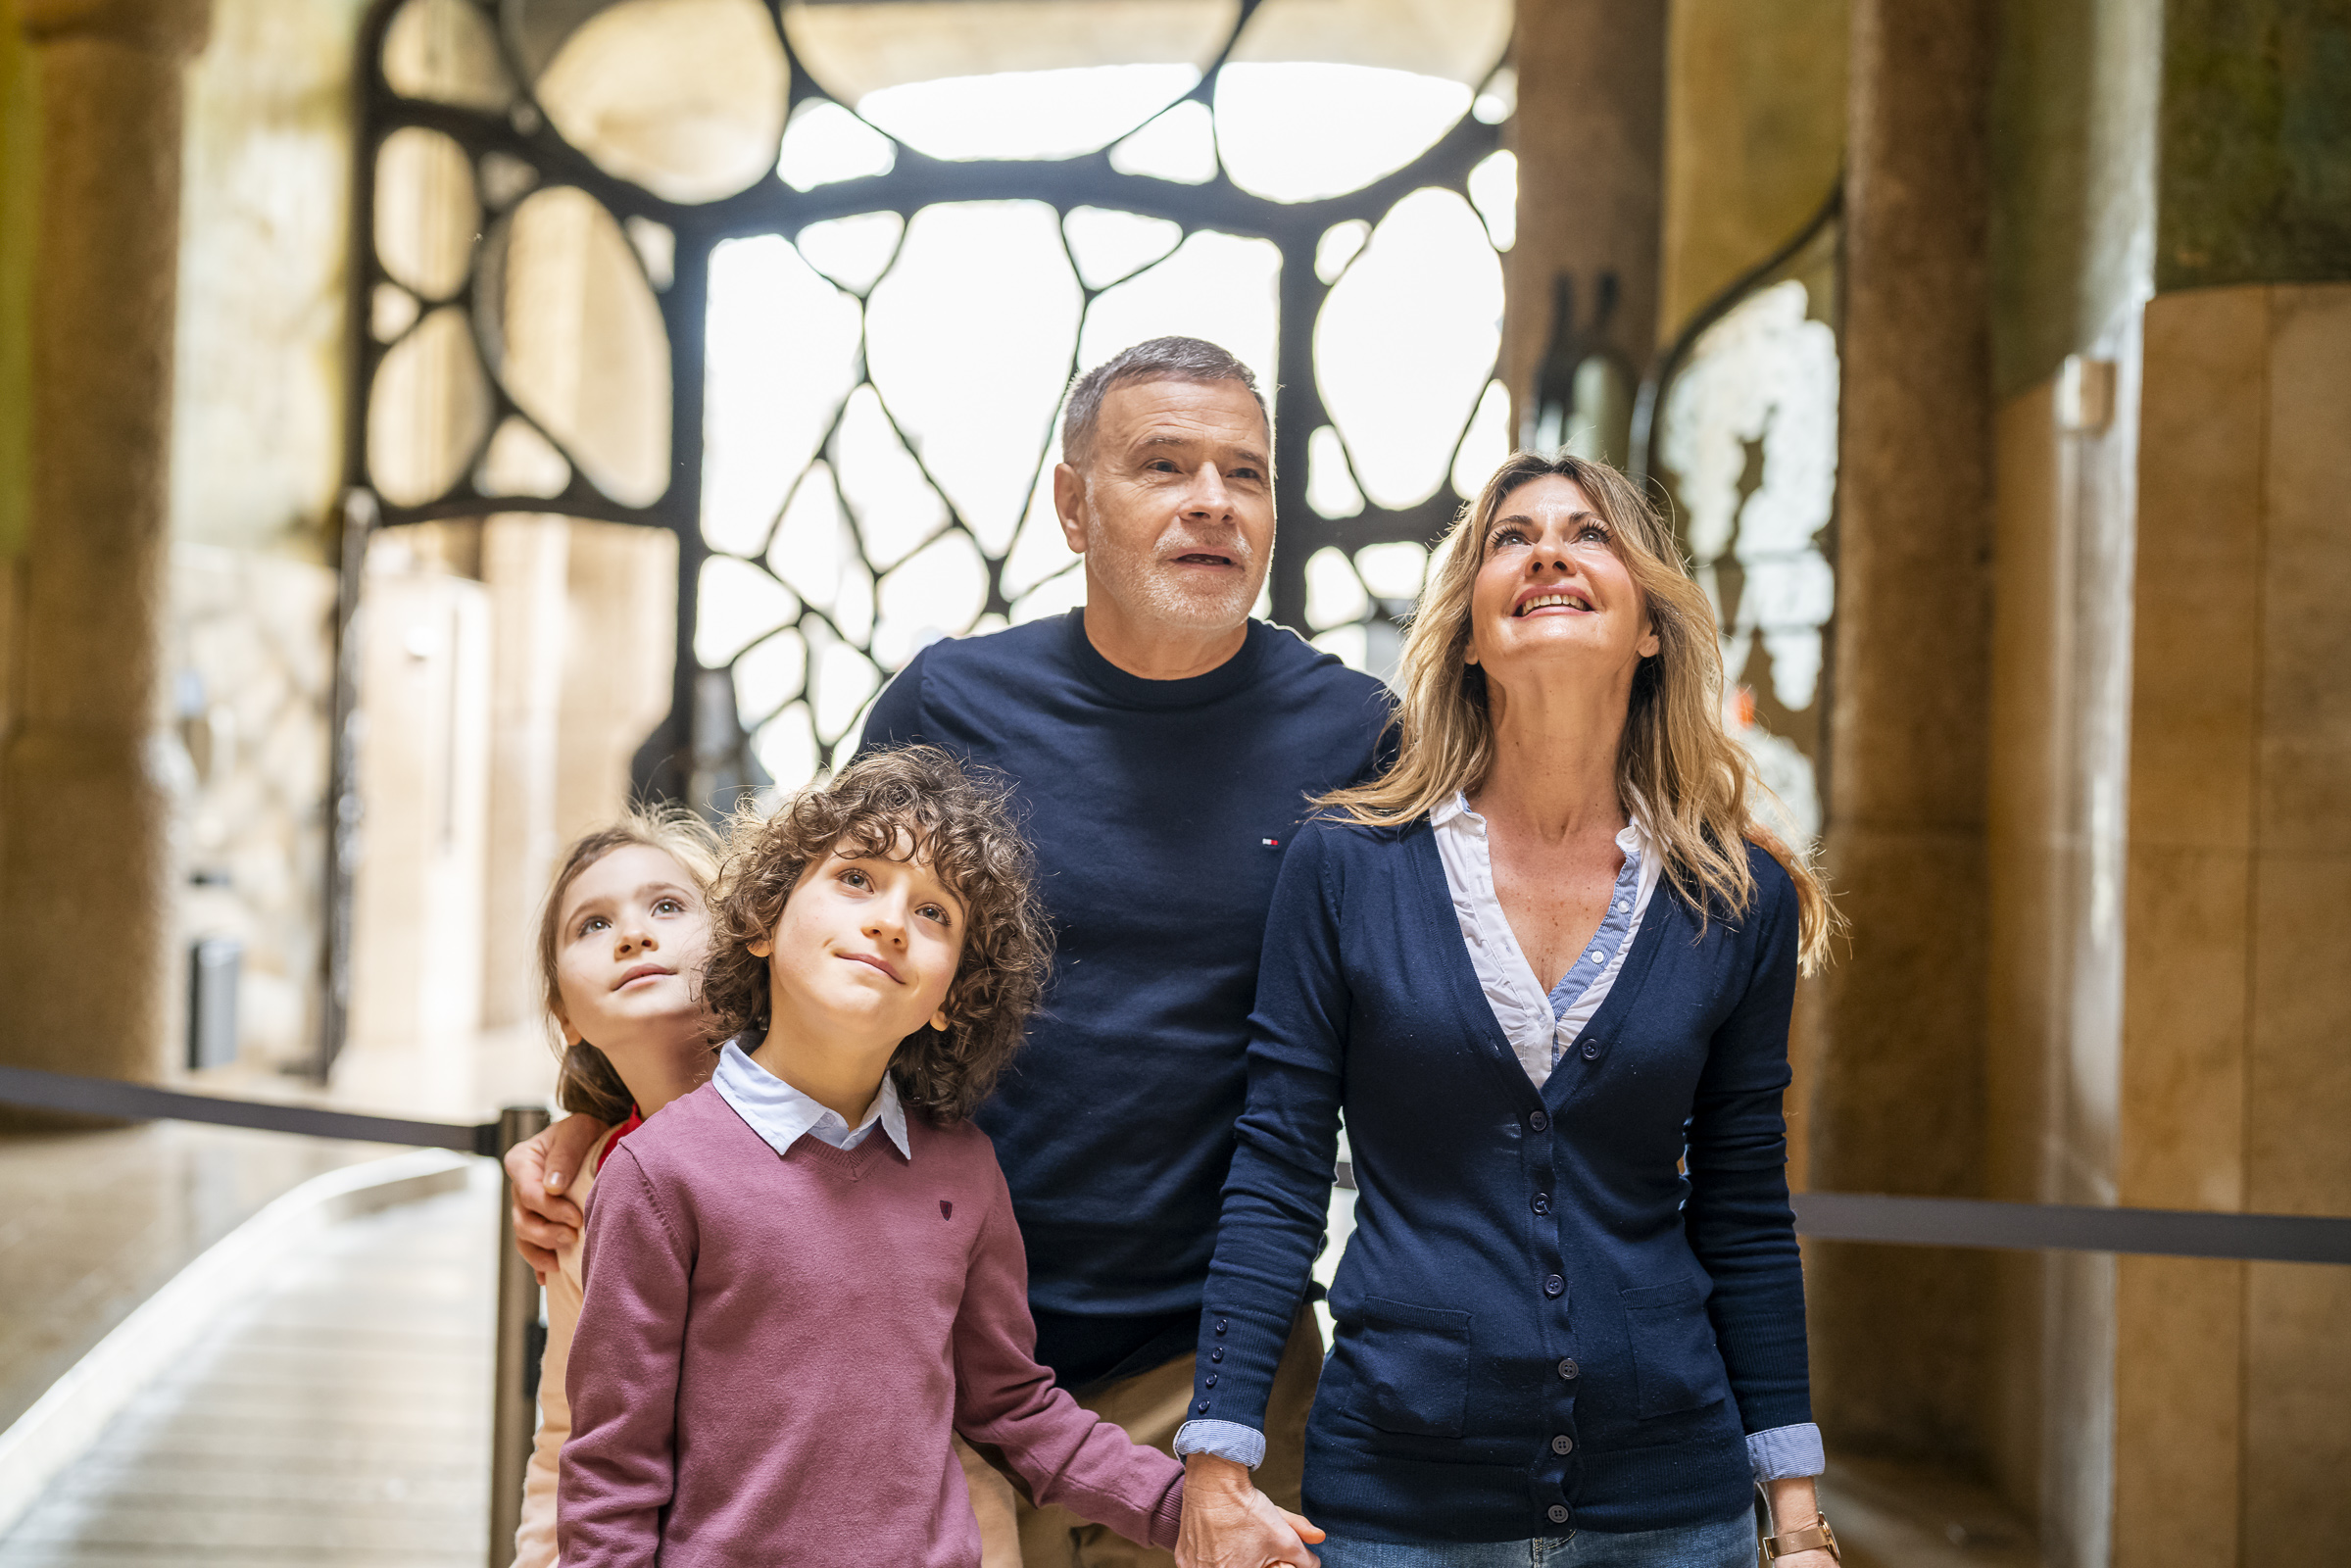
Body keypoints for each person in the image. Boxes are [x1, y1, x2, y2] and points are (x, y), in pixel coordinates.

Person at [514, 336, 1388, 1568]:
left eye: (1244, 473)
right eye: (1163, 464)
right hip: (907, 1348)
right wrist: (598, 1113)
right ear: (1073, 504)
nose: (1211, 501)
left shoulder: (1357, 733)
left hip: (1209, 1362)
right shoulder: (949, 703)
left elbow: (1412, 1025)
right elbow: (806, 954)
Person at [1174, 453, 1842, 1568]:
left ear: (1647, 628)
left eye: (1587, 535)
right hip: (1396, 1505)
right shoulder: (1344, 867)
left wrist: (1799, 1520)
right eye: (1507, 538)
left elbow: (1742, 1208)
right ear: (1470, 635)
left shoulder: (1736, 897)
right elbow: (1277, 1166)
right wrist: (1217, 1460)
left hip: (1673, 1507)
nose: (1545, 551)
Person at [563, 746, 1252, 1567]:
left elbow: (1016, 1408)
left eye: (935, 914)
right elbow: (612, 1476)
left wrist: (1193, 1515)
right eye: (856, 877)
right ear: (760, 921)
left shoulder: (964, 1171)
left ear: (948, 999)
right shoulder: (658, 1173)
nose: (891, 920)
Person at [513, 808, 724, 1568]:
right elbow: (568, 1435)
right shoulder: (582, 1189)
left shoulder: (828, 1128)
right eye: (592, 925)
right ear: (564, 1016)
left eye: (668, 906)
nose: (634, 935)